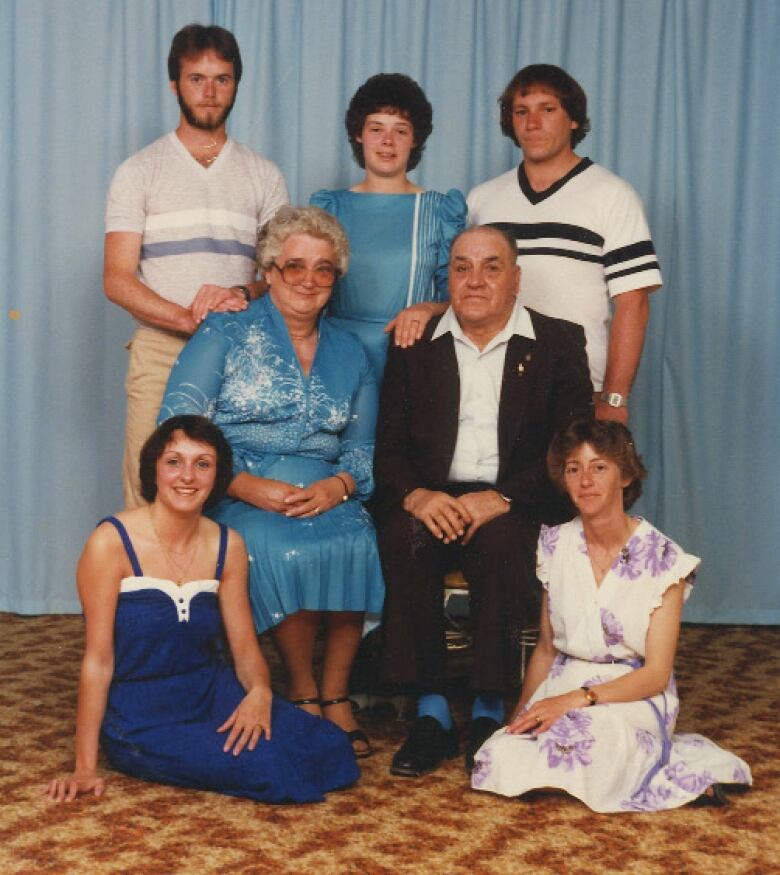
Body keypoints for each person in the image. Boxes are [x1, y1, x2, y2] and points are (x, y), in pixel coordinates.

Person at [159, 206, 384, 757]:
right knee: (281, 546)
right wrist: (240, 486)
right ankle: (303, 695)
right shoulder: (227, 331)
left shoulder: (349, 351)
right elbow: (177, 426)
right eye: (294, 266)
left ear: (336, 277)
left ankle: (337, 696)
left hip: (324, 489)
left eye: (323, 269)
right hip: (238, 489)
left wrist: (340, 488)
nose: (308, 280)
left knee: (354, 538)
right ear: (270, 269)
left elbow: (363, 450)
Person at [45, 416, 359, 805]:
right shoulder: (111, 542)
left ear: (217, 476)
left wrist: (259, 693)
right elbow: (98, 660)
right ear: (153, 470)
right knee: (272, 768)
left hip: (213, 695)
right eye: (174, 461)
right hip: (144, 717)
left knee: (332, 747)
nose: (187, 476)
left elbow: (244, 649)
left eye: (203, 464)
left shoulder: (228, 545)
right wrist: (84, 766)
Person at [373, 225, 593, 777]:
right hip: (434, 493)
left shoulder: (559, 342)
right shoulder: (414, 344)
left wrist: (502, 497)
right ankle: (431, 713)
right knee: (406, 537)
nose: (475, 280)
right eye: (462, 267)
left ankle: (489, 710)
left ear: (515, 279)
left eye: (492, 267)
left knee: (499, 547)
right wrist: (419, 496)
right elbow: (388, 449)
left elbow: (567, 447)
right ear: (446, 277)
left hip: (517, 493)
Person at [471, 419, 752, 812]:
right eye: (574, 468)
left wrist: (577, 700)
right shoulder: (554, 544)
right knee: (497, 757)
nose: (585, 479)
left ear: (625, 476)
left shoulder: (666, 559)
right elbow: (547, 649)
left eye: (599, 466)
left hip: (632, 691)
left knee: (592, 739)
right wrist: (518, 718)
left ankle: (660, 767)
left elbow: (656, 673)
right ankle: (627, 769)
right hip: (564, 680)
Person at [104, 23, 289, 508]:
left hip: (239, 350)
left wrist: (240, 296)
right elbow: (117, 278)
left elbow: (282, 272)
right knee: (149, 489)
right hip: (161, 348)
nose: (209, 92)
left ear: (236, 85)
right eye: (196, 78)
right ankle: (143, 586)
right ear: (174, 85)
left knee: (231, 487)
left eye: (222, 79)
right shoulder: (138, 171)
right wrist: (185, 317)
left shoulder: (264, 175)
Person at [467, 64, 662, 423]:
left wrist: (614, 400)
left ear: (574, 119)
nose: (532, 122)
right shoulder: (482, 200)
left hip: (578, 387)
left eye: (548, 109)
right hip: (488, 386)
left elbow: (633, 305)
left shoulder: (612, 196)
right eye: (521, 111)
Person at [310, 73, 466, 380]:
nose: (387, 142)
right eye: (376, 128)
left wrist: (428, 309)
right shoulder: (330, 208)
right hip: (337, 355)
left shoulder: (439, 210)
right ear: (359, 134)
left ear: (415, 138)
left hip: (411, 355)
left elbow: (459, 296)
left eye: (401, 131)